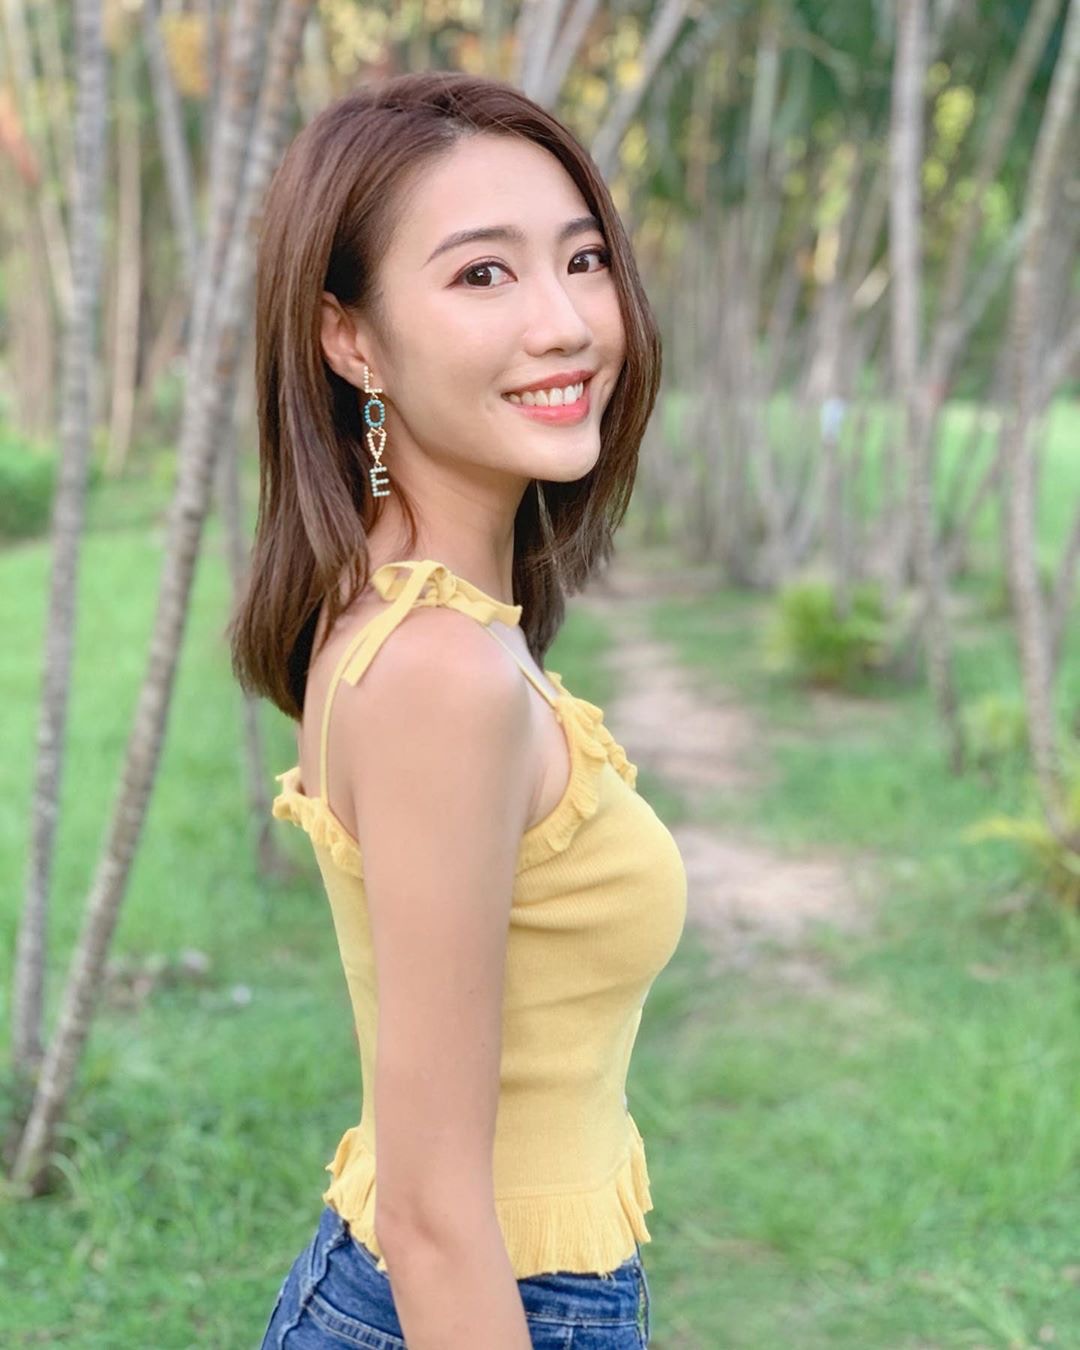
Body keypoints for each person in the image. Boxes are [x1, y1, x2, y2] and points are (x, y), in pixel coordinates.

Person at [229, 68, 688, 1349]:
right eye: (483, 274)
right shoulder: (440, 671)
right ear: (353, 341)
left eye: (583, 260)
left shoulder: (414, 619)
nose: (566, 322)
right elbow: (435, 1215)